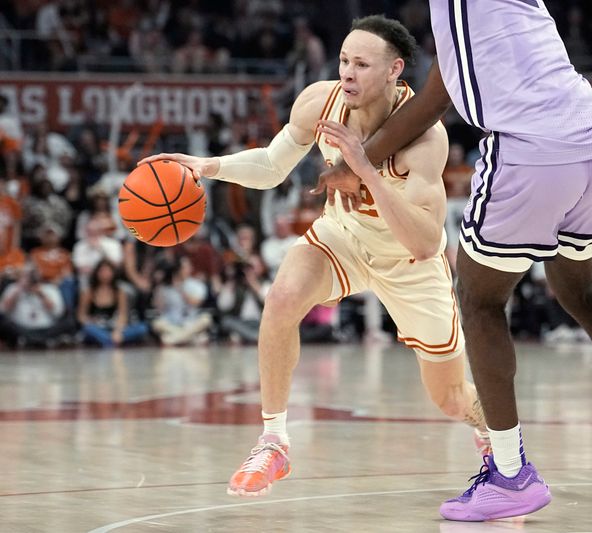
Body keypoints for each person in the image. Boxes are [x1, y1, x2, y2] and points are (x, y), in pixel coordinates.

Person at [316, 0, 592, 522]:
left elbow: (438, 98)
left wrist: (358, 164)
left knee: (479, 301)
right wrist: (360, 162)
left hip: (533, 148)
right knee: (582, 290)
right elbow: (439, 91)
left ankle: (510, 474)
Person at [139, 15, 489, 498]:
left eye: (362, 64)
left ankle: (494, 436)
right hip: (342, 237)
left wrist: (364, 168)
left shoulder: (425, 140)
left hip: (407, 262)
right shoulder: (319, 101)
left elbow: (427, 242)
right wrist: (210, 167)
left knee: (451, 399)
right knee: (282, 297)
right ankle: (274, 442)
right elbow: (271, 165)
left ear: (395, 71)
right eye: (344, 59)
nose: (347, 72)